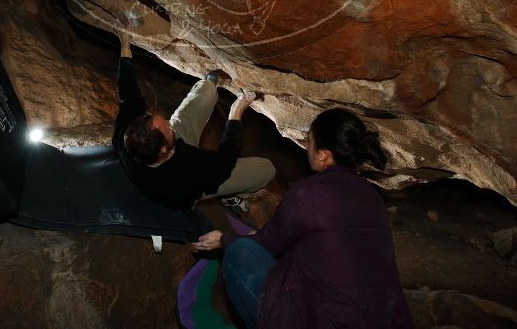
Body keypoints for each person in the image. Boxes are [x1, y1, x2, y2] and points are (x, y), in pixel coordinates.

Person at [192, 108, 413, 329]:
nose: (307, 147)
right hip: (389, 318)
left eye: (309, 141)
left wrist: (225, 239)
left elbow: (270, 243)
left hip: (333, 322)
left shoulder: (311, 192)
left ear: (323, 154)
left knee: (240, 252)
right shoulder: (372, 196)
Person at [112, 30, 276, 210]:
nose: (168, 121)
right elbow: (225, 161)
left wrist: (125, 42)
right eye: (167, 127)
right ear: (164, 149)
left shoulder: (127, 135)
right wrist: (235, 112)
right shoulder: (186, 171)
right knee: (266, 169)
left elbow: (128, 92)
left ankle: (207, 86)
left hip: (180, 154)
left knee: (206, 91)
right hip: (190, 186)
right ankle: (230, 195)